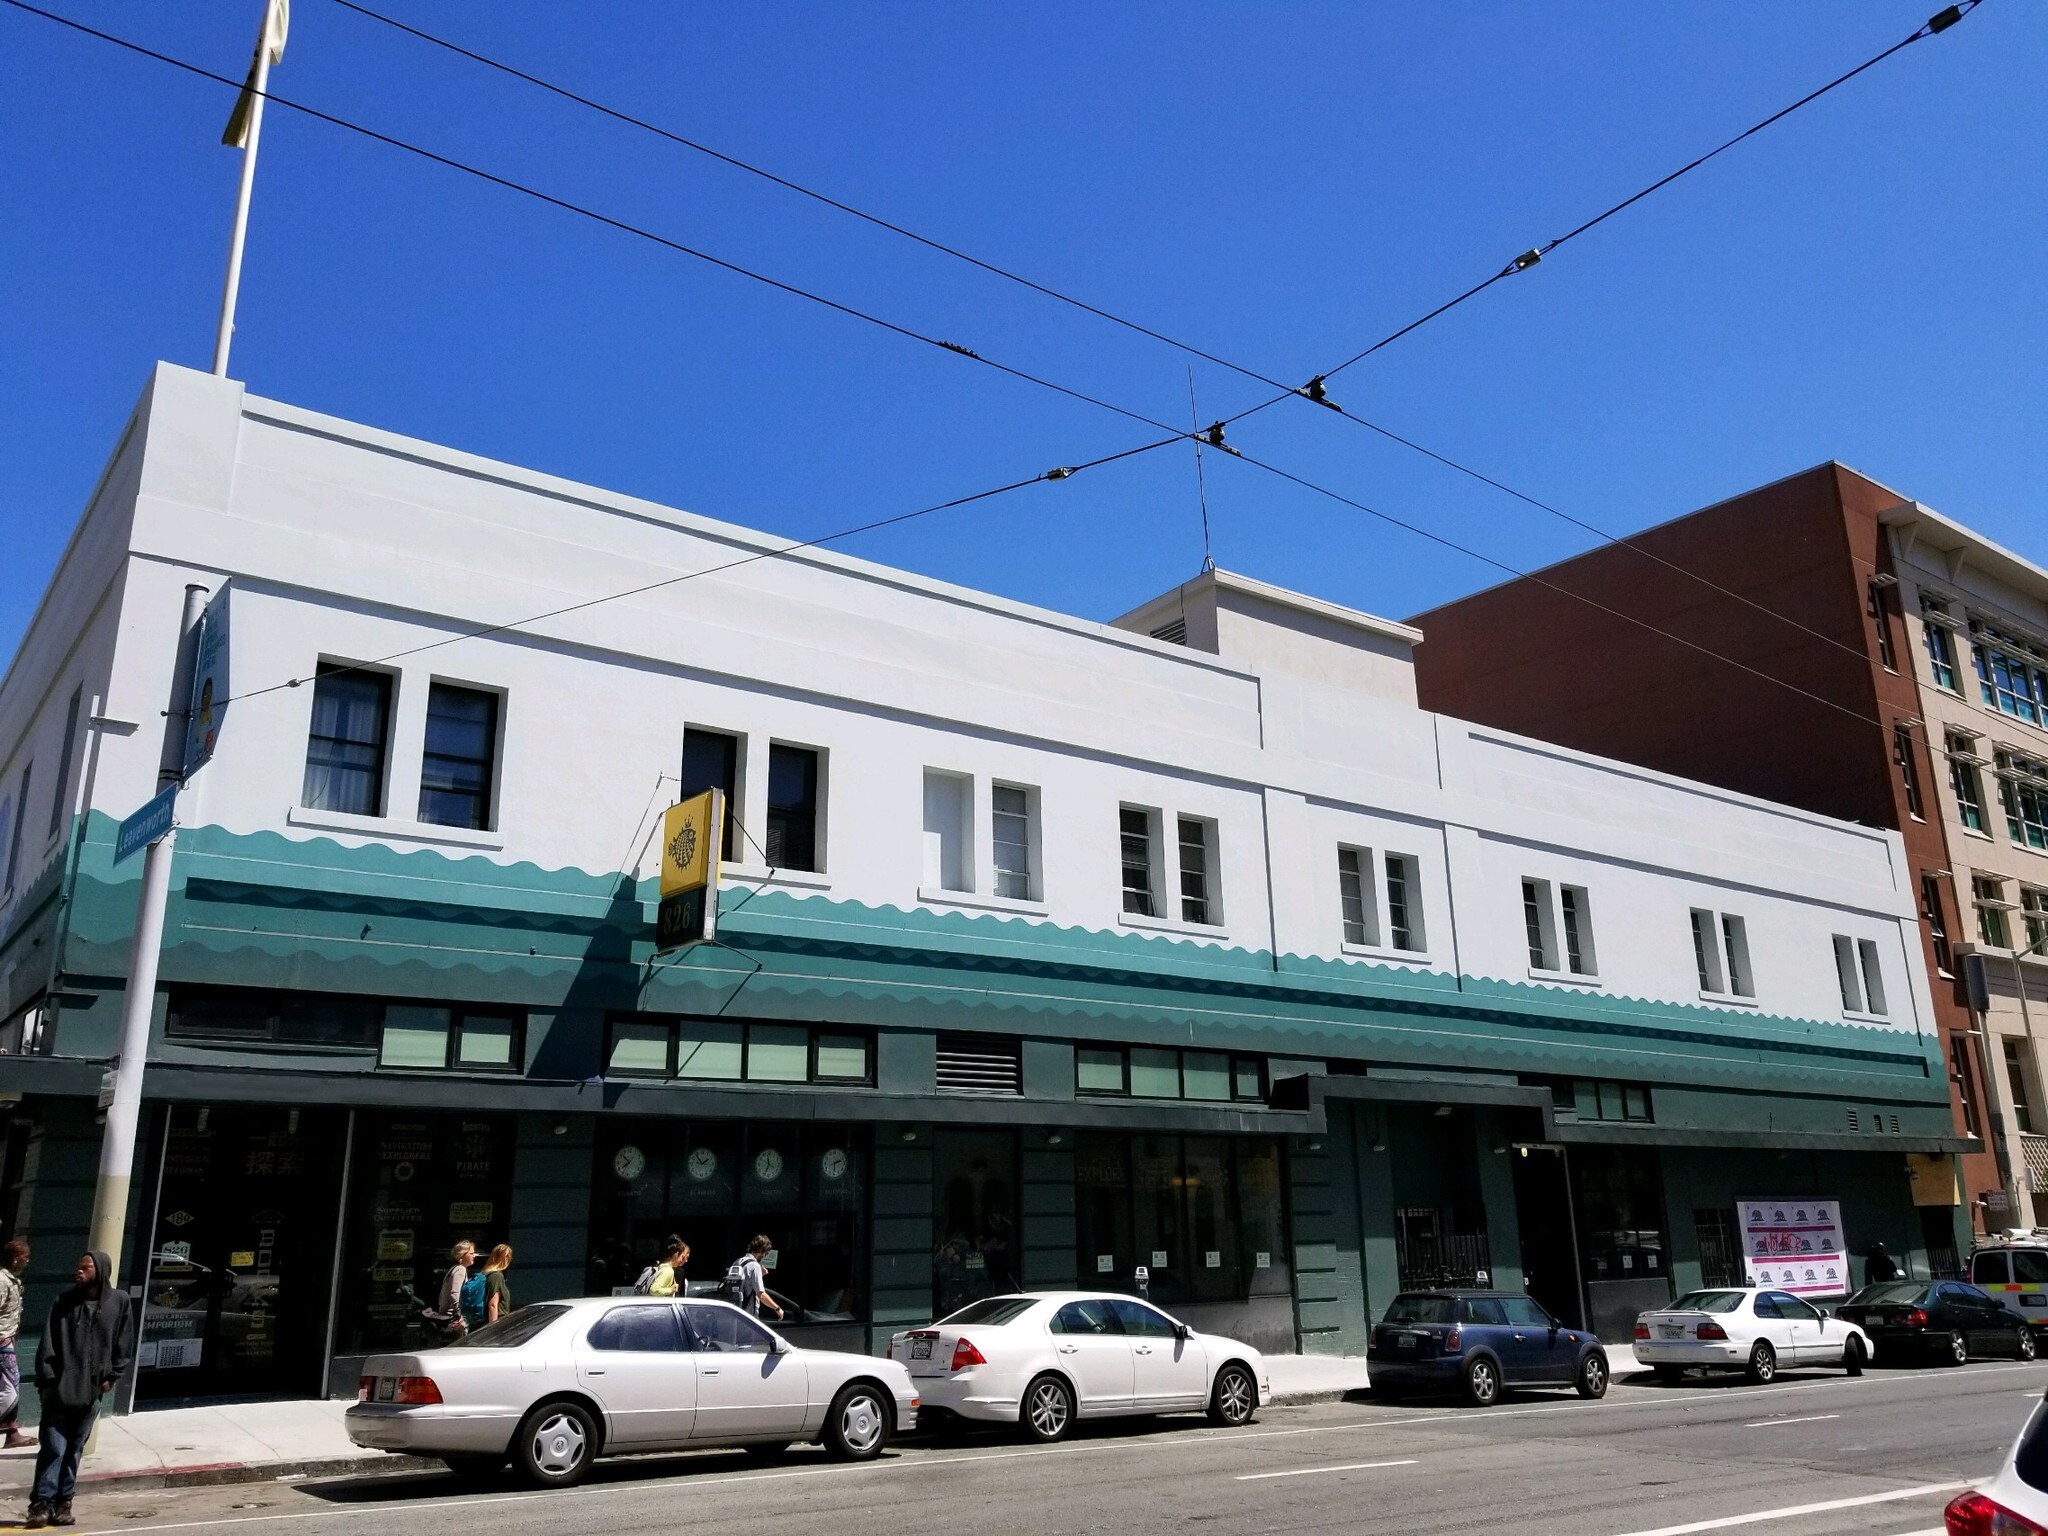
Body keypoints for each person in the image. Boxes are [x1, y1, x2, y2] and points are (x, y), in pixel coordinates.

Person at [27, 1252, 134, 1529]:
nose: (79, 1271)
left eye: (85, 1268)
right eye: (78, 1267)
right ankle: (41, 1504)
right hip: (59, 1388)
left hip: (91, 1389)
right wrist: (48, 1380)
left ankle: (64, 1504)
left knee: (74, 1449)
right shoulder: (63, 1301)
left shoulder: (118, 1302)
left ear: (100, 1270)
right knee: (53, 1448)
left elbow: (124, 1341)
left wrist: (112, 1377)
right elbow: (47, 1342)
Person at [0, 1238, 32, 1448]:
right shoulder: (2, 1281)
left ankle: (12, 1433)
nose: (27, 1261)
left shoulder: (11, 1280)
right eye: (25, 1257)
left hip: (7, 1340)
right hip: (2, 1341)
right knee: (11, 1388)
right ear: (15, 1258)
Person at [733, 1235, 783, 1321]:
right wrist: (777, 1308)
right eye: (765, 1252)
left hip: (736, 1313)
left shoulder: (738, 1262)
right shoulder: (754, 1265)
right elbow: (761, 1294)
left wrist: (760, 1275)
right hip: (748, 1316)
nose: (764, 1255)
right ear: (761, 1249)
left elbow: (745, 1285)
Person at [432, 1241, 475, 1341]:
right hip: (453, 1319)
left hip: (448, 1317)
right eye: (471, 1254)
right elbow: (454, 1293)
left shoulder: (454, 1269)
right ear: (462, 1255)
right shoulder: (460, 1269)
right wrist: (459, 1314)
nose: (474, 1256)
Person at [480, 1244, 514, 1326]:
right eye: (507, 1257)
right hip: (497, 1323)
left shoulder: (483, 1273)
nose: (508, 1260)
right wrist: (493, 1327)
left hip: (483, 1322)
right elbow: (492, 1305)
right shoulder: (496, 1276)